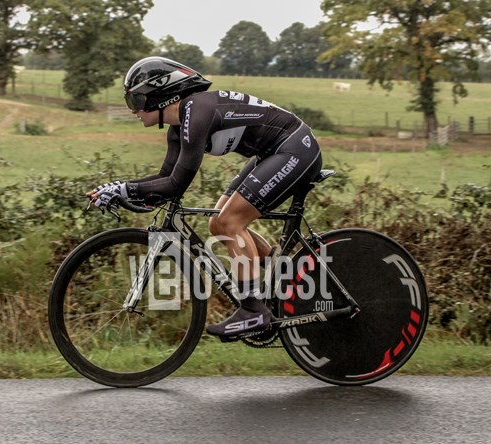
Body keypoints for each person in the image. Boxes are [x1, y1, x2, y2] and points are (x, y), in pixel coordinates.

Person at [88, 57, 322, 337]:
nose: (133, 110)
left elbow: (176, 185)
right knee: (217, 223)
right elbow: (164, 177)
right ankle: (280, 275)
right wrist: (121, 189)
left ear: (161, 94)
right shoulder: (179, 126)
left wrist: (124, 189)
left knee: (230, 222)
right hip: (274, 151)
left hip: (295, 148)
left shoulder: (198, 112)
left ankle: (253, 310)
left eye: (136, 100)